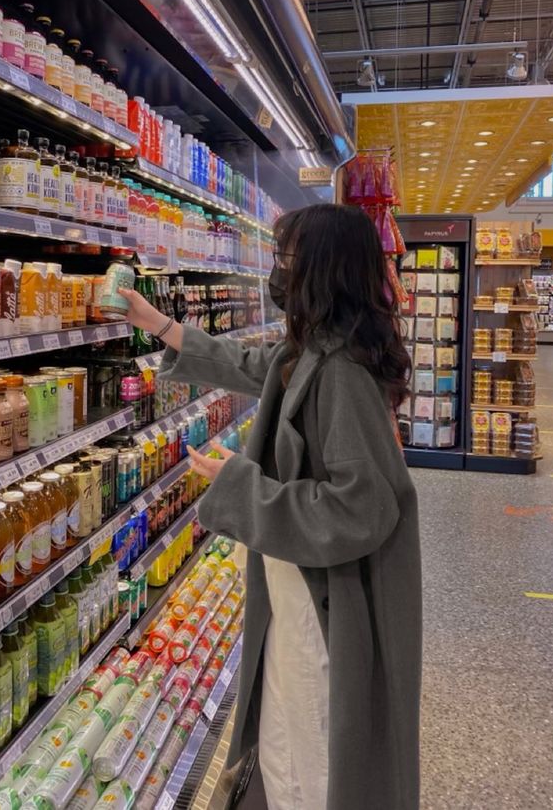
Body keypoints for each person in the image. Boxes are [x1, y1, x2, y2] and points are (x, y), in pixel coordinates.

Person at [119, 203, 422, 810]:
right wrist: (161, 325)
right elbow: (253, 365)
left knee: (310, 764)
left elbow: (361, 507)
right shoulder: (316, 350)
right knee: (289, 745)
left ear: (320, 268)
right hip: (304, 591)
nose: (276, 272)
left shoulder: (341, 374)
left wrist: (240, 485)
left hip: (328, 607)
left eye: (286, 258)